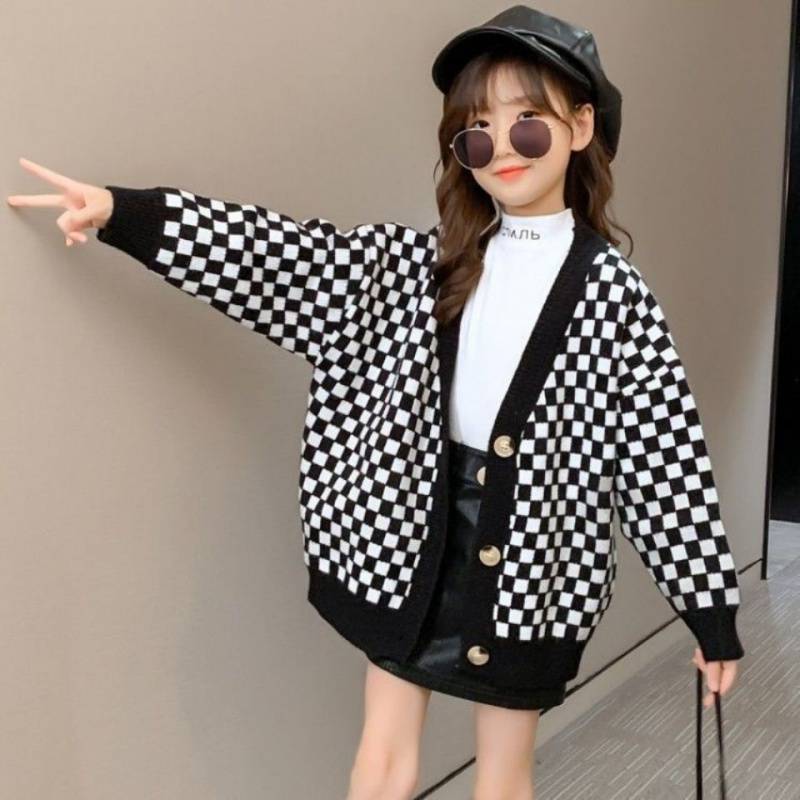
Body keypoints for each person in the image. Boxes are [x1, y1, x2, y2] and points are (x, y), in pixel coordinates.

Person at [7, 6, 744, 799]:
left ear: (581, 125)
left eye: (528, 125)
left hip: (532, 574)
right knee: (384, 759)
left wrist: (711, 617)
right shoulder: (417, 267)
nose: (502, 150)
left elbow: (665, 461)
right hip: (411, 545)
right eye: (476, 134)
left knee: (504, 775)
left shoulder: (616, 299)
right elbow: (275, 258)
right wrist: (124, 213)